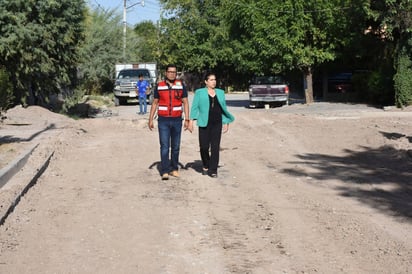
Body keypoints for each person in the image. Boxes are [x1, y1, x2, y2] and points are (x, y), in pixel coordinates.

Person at [188, 72, 234, 178]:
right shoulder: (199, 92)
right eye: (211, 80)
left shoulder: (221, 92)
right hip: (204, 122)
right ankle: (206, 164)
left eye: (215, 80)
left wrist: (226, 122)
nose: (214, 82)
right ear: (206, 82)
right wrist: (191, 121)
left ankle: (213, 169)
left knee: (215, 147)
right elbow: (195, 107)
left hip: (217, 123)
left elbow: (224, 108)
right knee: (204, 147)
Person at [148, 64, 190, 180]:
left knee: (176, 146)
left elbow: (185, 102)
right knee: (165, 146)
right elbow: (155, 103)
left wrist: (187, 119)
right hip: (163, 120)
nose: (172, 74)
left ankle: (174, 168)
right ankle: (165, 170)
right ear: (166, 73)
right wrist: (150, 119)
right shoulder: (160, 86)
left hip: (177, 120)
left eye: (174, 72)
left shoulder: (181, 85)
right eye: (170, 72)